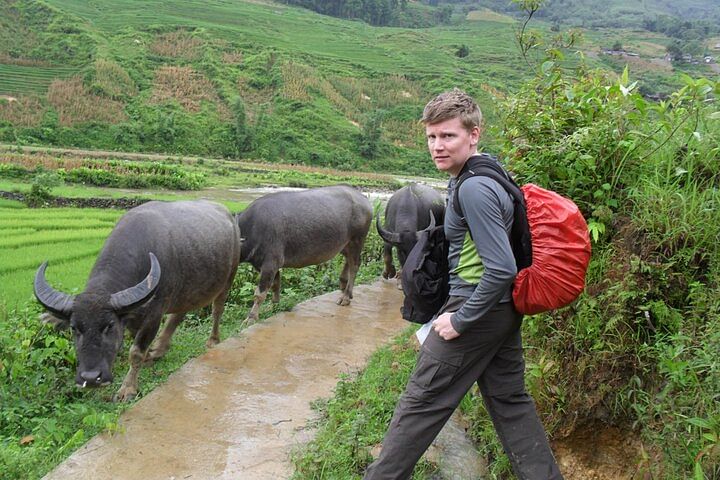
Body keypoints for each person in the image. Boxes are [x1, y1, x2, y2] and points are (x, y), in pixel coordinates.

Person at [363, 89, 564, 479]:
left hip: (477, 306)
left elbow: (502, 267)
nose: (437, 146)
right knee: (510, 402)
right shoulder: (484, 172)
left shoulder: (473, 188)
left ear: (473, 134)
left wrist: (460, 319)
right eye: (431, 137)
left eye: (448, 136)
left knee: (420, 403)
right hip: (500, 310)